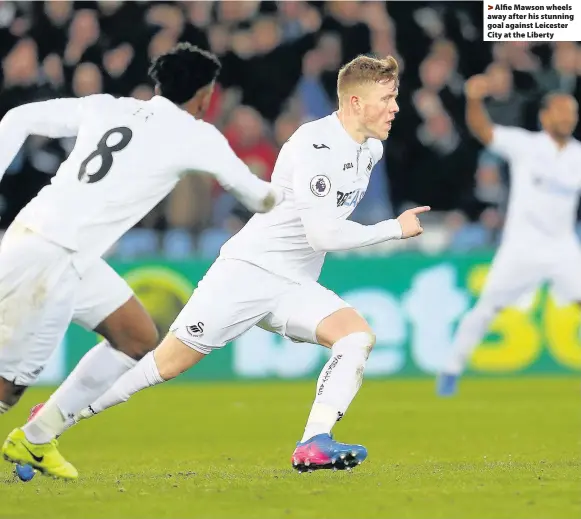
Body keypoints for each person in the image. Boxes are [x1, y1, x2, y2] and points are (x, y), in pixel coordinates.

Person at [5, 54, 429, 478]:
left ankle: (313, 443)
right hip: (247, 273)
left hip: (294, 283)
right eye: (387, 98)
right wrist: (393, 228)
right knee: (161, 366)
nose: (395, 107)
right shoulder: (314, 145)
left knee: (356, 338)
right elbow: (323, 235)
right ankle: (53, 419)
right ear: (355, 102)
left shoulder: (370, 148)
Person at [0, 43, 282, 480]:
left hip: (49, 243)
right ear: (205, 95)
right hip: (49, 260)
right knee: (7, 388)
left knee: (135, 336)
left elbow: (15, 118)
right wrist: (291, 192)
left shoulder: (107, 107)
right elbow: (258, 197)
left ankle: (37, 438)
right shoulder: (196, 134)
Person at [437, 75, 581, 396]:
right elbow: (484, 131)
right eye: (561, 110)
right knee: (487, 308)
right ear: (545, 117)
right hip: (522, 247)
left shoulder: (577, 155)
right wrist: (474, 99)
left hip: (563, 248)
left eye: (571, 111)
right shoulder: (526, 146)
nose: (567, 116)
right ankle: (450, 370)